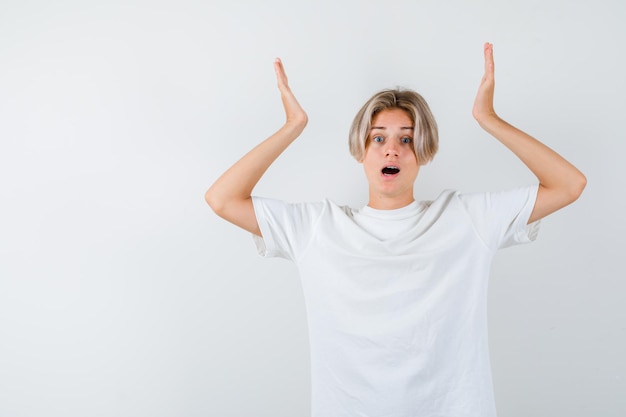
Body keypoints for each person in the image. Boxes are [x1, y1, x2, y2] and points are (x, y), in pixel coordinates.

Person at [205, 43, 586, 417]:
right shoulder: (317, 228)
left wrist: (489, 119)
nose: (392, 150)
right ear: (361, 150)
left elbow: (569, 184)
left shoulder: (467, 220)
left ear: (424, 150)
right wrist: (293, 126)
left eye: (406, 139)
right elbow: (222, 199)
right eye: (378, 138)